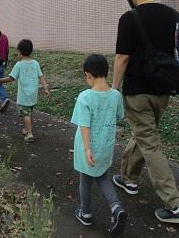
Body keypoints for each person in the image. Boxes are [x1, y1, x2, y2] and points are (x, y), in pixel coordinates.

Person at [111, 0, 179, 224]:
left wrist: (114, 88)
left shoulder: (129, 18)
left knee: (149, 141)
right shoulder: (175, 16)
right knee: (144, 134)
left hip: (137, 91)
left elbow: (122, 57)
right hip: (164, 90)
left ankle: (175, 206)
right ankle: (128, 179)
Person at [71, 54, 127, 235]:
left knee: (85, 180)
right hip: (106, 146)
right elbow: (119, 115)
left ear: (88, 74)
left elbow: (84, 124)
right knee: (103, 176)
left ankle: (85, 212)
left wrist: (87, 148)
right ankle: (116, 207)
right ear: (106, 72)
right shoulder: (115, 95)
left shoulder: (85, 97)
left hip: (88, 147)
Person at [0, 39, 49, 143]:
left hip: (24, 95)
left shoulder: (19, 65)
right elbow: (41, 76)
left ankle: (29, 134)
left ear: (19, 52)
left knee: (26, 114)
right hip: (33, 94)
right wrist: (46, 88)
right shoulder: (35, 63)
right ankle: (27, 129)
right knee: (29, 112)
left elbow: (11, 78)